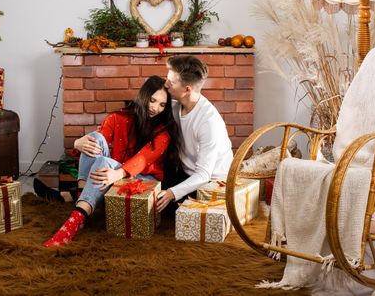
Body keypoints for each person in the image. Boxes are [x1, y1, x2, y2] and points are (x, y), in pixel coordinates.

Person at [43, 75, 180, 247]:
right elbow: (95, 142)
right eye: (152, 100)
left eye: (162, 105)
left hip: (143, 179)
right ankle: (81, 202)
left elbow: (143, 159)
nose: (155, 108)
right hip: (111, 174)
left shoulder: (163, 131)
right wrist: (78, 143)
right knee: (95, 137)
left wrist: (118, 173)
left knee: (103, 163)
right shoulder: (118, 118)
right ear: (144, 95)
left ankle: (75, 215)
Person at [156, 55, 233, 213]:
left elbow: (204, 174)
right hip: (185, 171)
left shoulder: (209, 122)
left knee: (165, 208)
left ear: (187, 90)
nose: (166, 84)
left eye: (171, 82)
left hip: (210, 183)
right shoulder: (176, 105)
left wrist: (172, 193)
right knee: (151, 194)